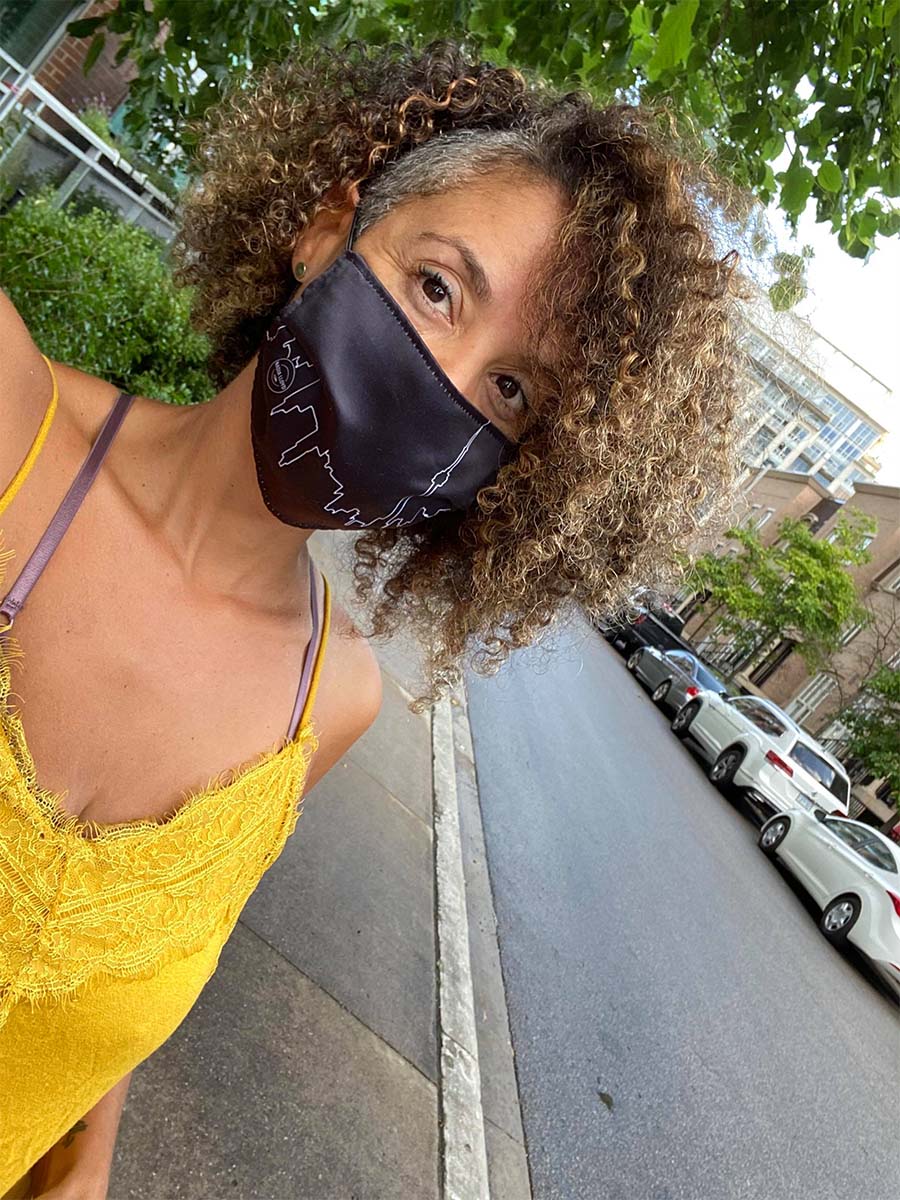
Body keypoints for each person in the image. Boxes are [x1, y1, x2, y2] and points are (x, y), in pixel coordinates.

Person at [0, 40, 743, 1198]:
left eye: (511, 390)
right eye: (437, 288)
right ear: (325, 231)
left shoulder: (329, 703)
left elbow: (124, 969)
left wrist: (83, 1161)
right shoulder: (16, 435)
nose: (443, 378)